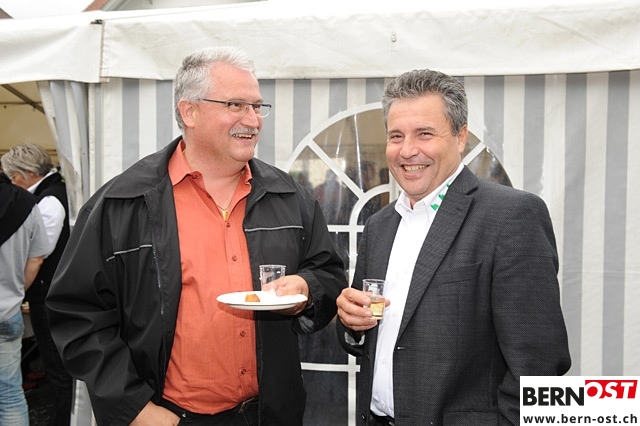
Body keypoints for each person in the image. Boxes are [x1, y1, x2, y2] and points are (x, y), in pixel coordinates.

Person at [46, 46, 346, 426]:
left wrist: (306, 289)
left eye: (257, 106)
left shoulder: (289, 196)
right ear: (189, 112)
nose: (253, 119)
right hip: (169, 417)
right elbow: (77, 314)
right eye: (236, 105)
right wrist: (135, 408)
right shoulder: (122, 203)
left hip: (270, 414)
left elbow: (329, 273)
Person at [336, 69, 571, 425]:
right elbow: (372, 334)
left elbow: (539, 363)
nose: (407, 150)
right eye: (396, 136)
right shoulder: (380, 226)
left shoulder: (511, 216)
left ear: (460, 137)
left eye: (425, 134)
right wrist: (352, 323)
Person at [2, 143, 72, 426]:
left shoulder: (48, 201)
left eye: (13, 176)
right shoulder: (47, 196)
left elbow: (39, 254)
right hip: (38, 296)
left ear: (29, 173)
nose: (11, 183)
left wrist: (18, 288)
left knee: (57, 367)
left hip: (49, 295)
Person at [1, 171, 50, 426]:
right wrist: (17, 291)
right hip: (8, 310)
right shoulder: (26, 202)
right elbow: (37, 258)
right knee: (9, 392)